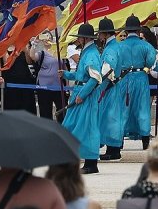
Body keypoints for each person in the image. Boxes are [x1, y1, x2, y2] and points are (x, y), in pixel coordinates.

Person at [61, 23, 102, 174]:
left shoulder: (91, 54)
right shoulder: (87, 52)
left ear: (84, 38)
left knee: (88, 127)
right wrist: (66, 74)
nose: (78, 40)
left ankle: (91, 163)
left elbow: (95, 78)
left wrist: (82, 95)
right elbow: (81, 76)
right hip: (80, 92)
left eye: (79, 38)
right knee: (73, 126)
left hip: (85, 95)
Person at [119, 16, 158, 149]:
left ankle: (119, 141)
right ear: (138, 30)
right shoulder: (146, 45)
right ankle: (145, 140)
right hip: (141, 77)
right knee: (143, 108)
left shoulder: (120, 45)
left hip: (124, 78)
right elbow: (151, 61)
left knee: (123, 108)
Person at [98, 18, 126, 161]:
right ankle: (115, 147)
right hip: (118, 84)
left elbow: (108, 69)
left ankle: (113, 149)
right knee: (116, 116)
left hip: (111, 86)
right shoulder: (117, 45)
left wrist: (99, 83)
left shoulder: (110, 49)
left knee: (111, 117)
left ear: (103, 34)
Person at [32, 31, 66, 120]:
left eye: (48, 37)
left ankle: (61, 131)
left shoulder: (59, 51)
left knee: (62, 111)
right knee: (45, 112)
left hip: (58, 86)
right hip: (44, 87)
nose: (46, 39)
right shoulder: (41, 53)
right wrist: (35, 42)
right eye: (44, 37)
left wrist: (67, 86)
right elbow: (32, 56)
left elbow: (65, 68)